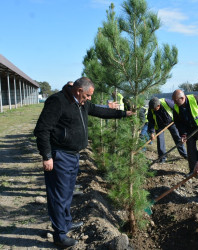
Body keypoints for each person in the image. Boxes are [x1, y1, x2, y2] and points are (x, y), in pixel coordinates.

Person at [34, 77, 134, 248]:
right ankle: (60, 235)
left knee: (66, 193)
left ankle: (65, 223)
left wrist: (123, 114)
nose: (89, 99)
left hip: (73, 155)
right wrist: (47, 156)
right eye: (88, 96)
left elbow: (99, 111)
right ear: (79, 91)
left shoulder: (82, 103)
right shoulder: (57, 101)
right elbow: (42, 129)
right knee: (58, 195)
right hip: (60, 155)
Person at [172, 89, 198, 179]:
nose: (175, 103)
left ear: (182, 98)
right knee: (191, 150)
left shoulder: (195, 99)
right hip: (189, 131)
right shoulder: (176, 107)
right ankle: (192, 170)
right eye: (174, 101)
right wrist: (183, 134)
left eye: (176, 101)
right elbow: (178, 123)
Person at [147, 97, 188, 163]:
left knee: (177, 137)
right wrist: (151, 132)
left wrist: (178, 118)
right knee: (160, 141)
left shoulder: (167, 102)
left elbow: (177, 108)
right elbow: (151, 121)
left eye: (155, 109)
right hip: (159, 125)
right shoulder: (151, 108)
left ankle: (184, 154)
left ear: (159, 105)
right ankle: (162, 158)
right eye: (152, 109)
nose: (154, 110)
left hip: (171, 122)